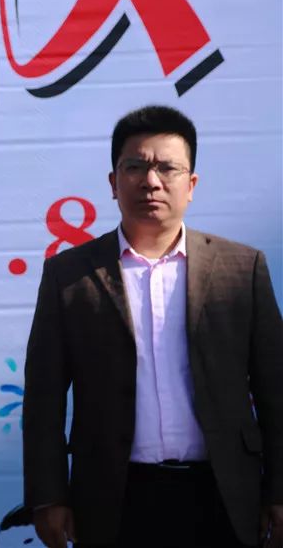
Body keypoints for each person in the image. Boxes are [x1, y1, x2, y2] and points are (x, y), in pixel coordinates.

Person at [23, 105, 283, 548]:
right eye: (135, 167)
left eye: (167, 168)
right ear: (113, 182)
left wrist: (278, 491)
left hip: (223, 494)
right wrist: (48, 497)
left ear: (191, 184)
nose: (151, 181)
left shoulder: (242, 269)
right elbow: (43, 398)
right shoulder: (70, 275)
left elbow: (274, 389)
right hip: (114, 498)